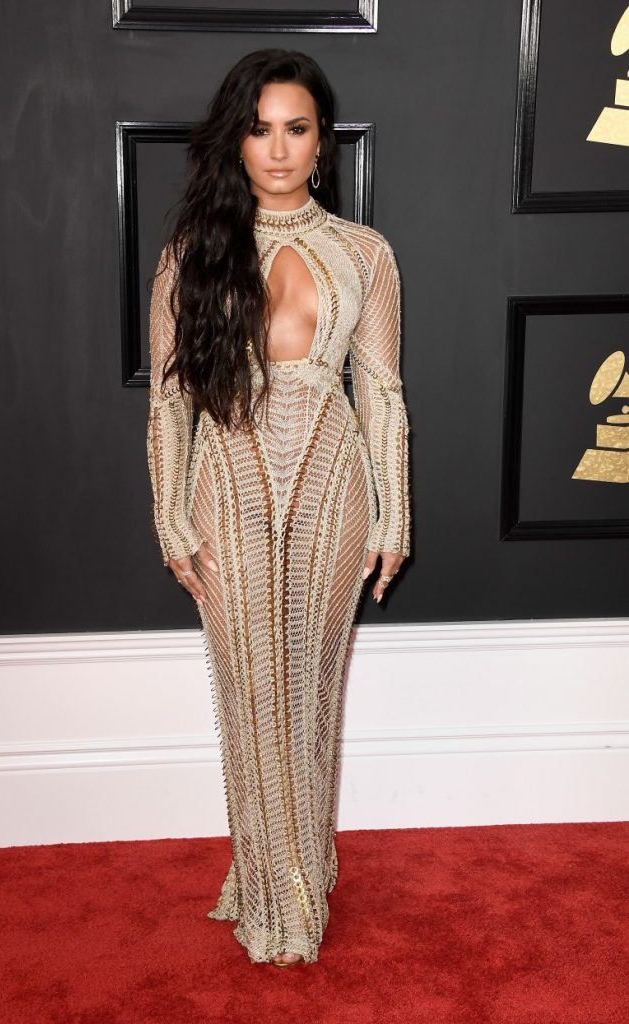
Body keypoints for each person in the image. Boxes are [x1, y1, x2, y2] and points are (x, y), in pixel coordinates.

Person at [146, 48, 411, 967]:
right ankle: (269, 884)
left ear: (322, 143)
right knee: (251, 690)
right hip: (225, 493)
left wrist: (394, 520)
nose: (277, 149)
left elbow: (379, 392)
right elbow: (170, 405)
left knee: (311, 693)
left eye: (296, 129)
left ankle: (301, 869)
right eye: (258, 129)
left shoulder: (365, 253)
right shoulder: (190, 257)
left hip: (335, 491)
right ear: (236, 139)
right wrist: (170, 521)